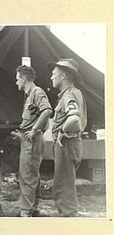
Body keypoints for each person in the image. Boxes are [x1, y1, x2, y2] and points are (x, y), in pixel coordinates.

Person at [11, 65, 52, 217]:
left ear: (23, 79)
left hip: (33, 140)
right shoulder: (30, 95)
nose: (16, 83)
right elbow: (37, 117)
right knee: (32, 173)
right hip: (29, 139)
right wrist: (23, 134)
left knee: (27, 175)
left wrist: (35, 130)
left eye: (17, 80)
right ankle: (33, 208)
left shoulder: (37, 92)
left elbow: (47, 110)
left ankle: (25, 211)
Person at [47, 58, 87, 217]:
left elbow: (74, 118)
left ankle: (69, 218)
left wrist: (62, 131)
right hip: (70, 143)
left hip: (67, 143)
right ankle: (69, 215)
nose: (51, 77)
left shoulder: (69, 95)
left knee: (63, 184)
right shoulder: (72, 93)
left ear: (62, 76)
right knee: (65, 183)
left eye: (53, 74)